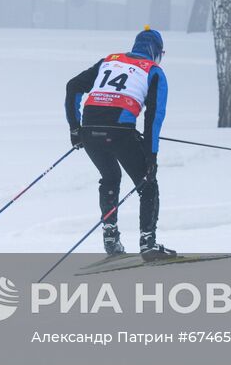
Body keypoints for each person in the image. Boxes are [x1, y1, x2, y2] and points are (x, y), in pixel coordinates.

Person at [64, 27, 174, 259]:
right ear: (156, 51)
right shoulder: (154, 71)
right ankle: (148, 244)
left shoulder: (110, 60)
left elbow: (73, 86)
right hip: (120, 133)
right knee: (147, 184)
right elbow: (154, 118)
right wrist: (150, 155)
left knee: (111, 177)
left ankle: (111, 239)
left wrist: (75, 128)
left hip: (90, 130)